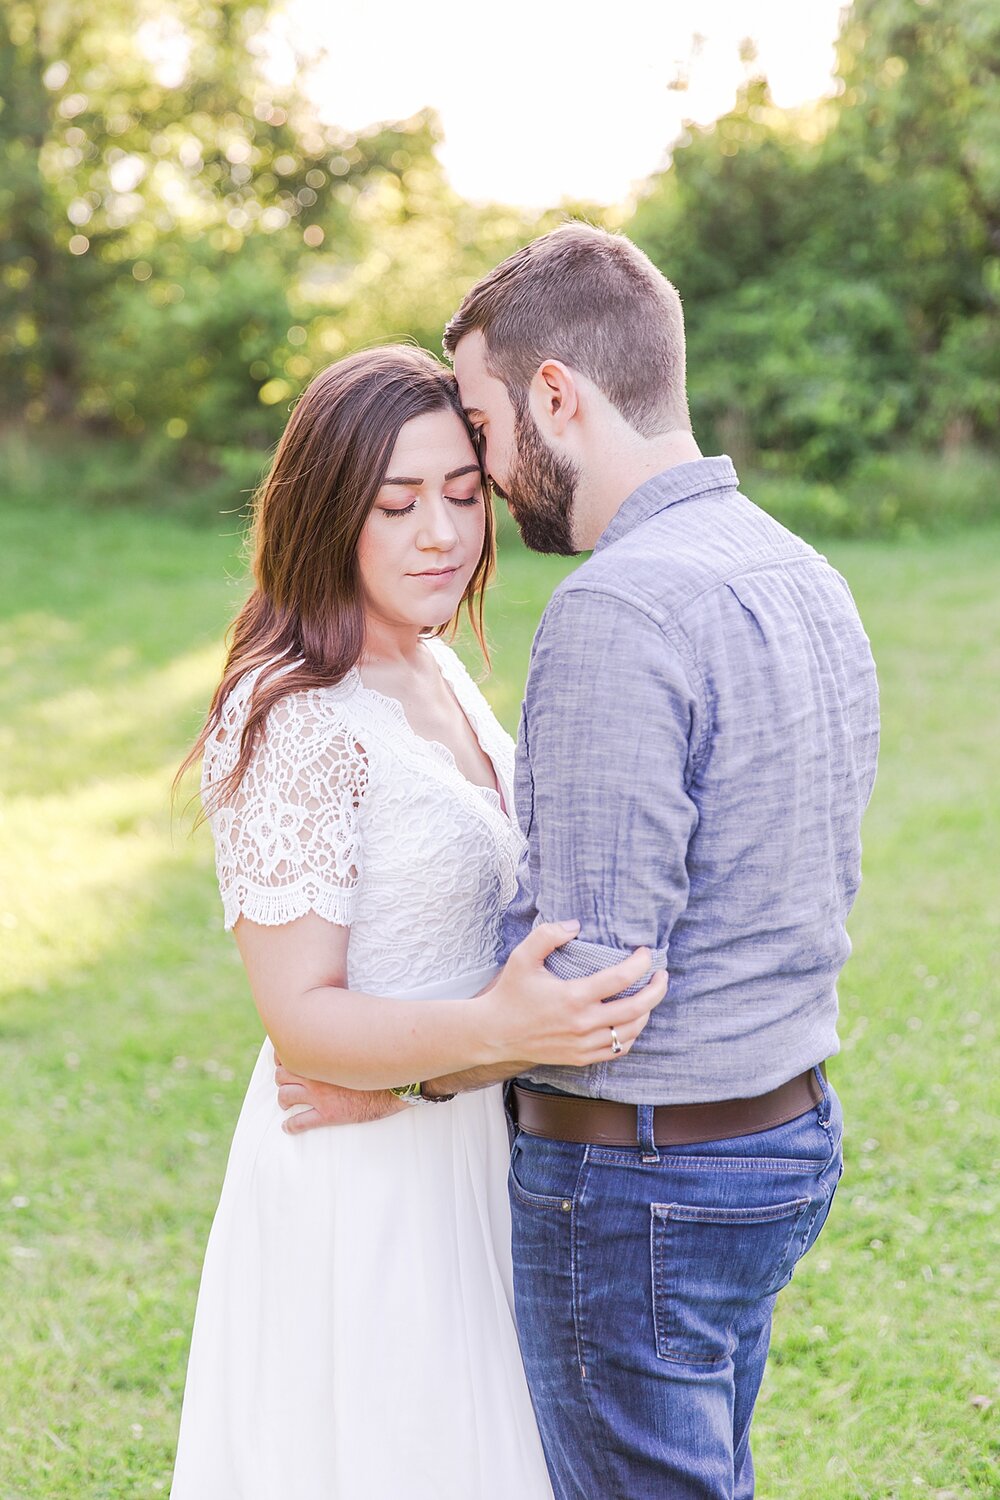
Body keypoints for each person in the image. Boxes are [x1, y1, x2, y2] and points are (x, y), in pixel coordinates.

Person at [279, 225, 880, 1500]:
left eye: (484, 434)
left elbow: (590, 983)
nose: (486, 481)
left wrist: (412, 1089)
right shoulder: (800, 569)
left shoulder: (621, 606)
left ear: (557, 396)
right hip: (780, 1128)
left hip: (643, 1175)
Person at [169, 343, 666, 1499]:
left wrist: (493, 1048)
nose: (440, 534)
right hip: (363, 1180)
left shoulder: (436, 668)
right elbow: (302, 1024)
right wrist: (499, 1026)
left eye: (460, 495)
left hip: (464, 1140)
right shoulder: (292, 714)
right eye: (396, 506)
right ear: (327, 515)